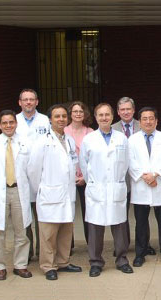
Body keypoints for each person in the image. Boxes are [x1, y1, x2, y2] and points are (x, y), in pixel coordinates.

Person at [27, 104, 82, 280]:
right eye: (57, 116)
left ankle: (63, 262)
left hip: (67, 194)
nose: (61, 119)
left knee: (66, 231)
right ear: (50, 119)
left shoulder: (70, 141)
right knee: (48, 234)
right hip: (49, 194)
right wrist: (42, 189)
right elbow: (33, 170)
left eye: (64, 116)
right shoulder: (42, 141)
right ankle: (48, 266)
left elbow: (72, 165)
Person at [80, 103, 133, 277]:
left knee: (119, 227)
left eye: (107, 115)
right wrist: (94, 184)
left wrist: (115, 181)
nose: (104, 118)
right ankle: (96, 262)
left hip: (116, 186)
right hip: (97, 189)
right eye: (100, 115)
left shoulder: (121, 138)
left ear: (112, 116)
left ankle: (122, 260)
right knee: (95, 228)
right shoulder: (89, 139)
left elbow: (126, 163)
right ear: (95, 117)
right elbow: (84, 165)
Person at [128, 107, 161, 267]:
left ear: (156, 121)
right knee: (140, 223)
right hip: (141, 186)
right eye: (144, 119)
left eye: (151, 118)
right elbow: (130, 162)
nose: (148, 121)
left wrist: (155, 175)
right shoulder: (132, 140)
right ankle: (140, 254)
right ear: (139, 122)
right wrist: (146, 177)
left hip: (160, 184)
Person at [0, 110, 32, 280]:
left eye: (11, 122)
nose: (8, 125)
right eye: (5, 123)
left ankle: (20, 265)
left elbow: (32, 168)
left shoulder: (25, 143)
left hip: (19, 191)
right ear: (0, 125)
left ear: (16, 123)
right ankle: (0, 266)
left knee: (21, 230)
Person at [16, 89, 50, 261]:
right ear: (19, 102)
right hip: (20, 174)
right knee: (24, 217)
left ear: (37, 102)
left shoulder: (45, 120)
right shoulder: (14, 121)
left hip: (41, 174)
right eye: (25, 100)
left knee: (42, 217)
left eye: (31, 99)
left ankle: (43, 252)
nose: (28, 102)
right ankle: (27, 253)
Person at [111, 97, 142, 251]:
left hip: (140, 178)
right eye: (122, 109)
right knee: (120, 213)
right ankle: (122, 245)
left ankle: (143, 244)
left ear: (133, 110)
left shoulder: (142, 124)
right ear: (118, 112)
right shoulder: (112, 128)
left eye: (128, 109)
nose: (126, 112)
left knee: (141, 214)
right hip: (121, 178)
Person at [64, 101, 94, 244]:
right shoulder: (63, 131)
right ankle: (68, 244)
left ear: (85, 114)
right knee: (67, 211)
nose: (78, 114)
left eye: (80, 111)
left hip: (85, 177)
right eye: (75, 111)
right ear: (70, 114)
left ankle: (90, 242)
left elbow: (93, 159)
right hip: (67, 177)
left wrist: (84, 177)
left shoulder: (90, 132)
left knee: (88, 211)